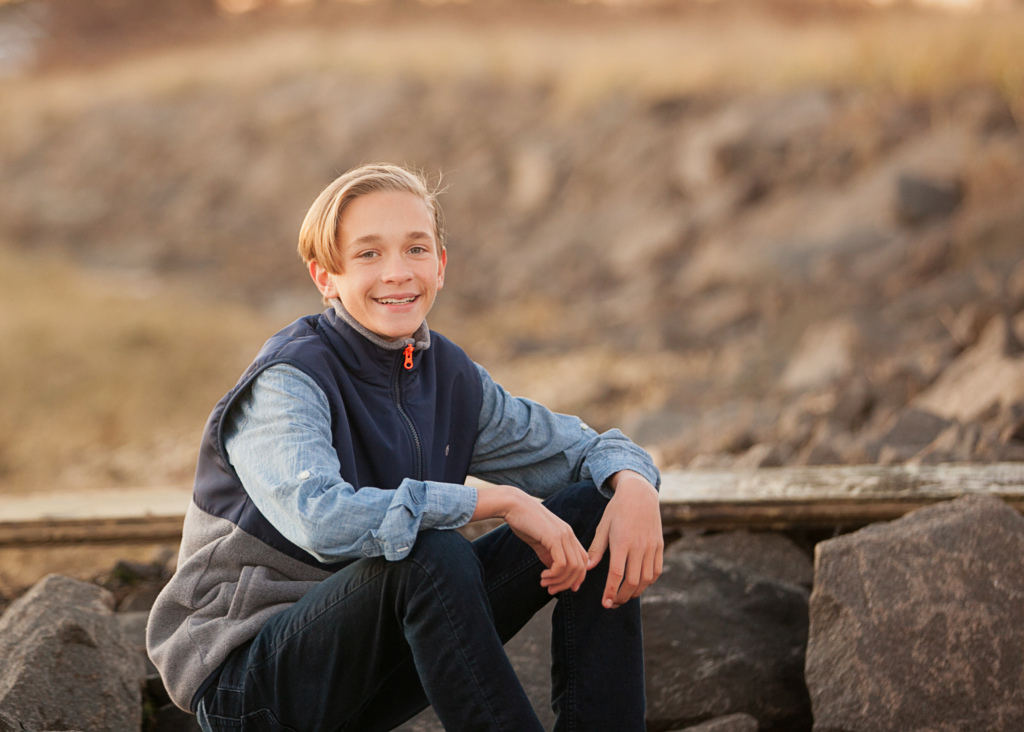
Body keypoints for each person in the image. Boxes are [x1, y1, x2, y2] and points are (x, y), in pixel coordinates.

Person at [147, 163, 664, 732]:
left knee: (594, 506)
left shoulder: (449, 376)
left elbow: (578, 451)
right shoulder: (289, 379)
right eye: (368, 254)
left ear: (440, 266)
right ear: (326, 277)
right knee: (428, 551)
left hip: (377, 661)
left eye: (416, 249)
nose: (397, 273)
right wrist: (498, 502)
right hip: (252, 683)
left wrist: (635, 485)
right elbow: (320, 518)